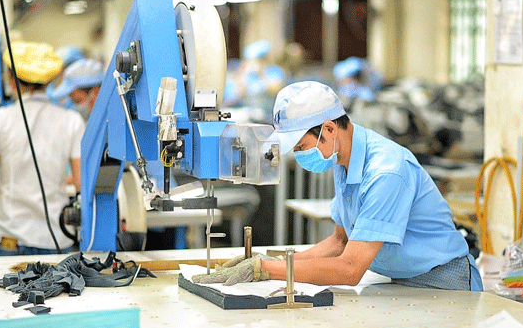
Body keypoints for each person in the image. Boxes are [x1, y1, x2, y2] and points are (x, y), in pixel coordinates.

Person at [194, 81, 483, 291]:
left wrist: (267, 270)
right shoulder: (343, 160)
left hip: (445, 283)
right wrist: (273, 261)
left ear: (329, 129)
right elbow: (339, 242)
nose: (299, 154)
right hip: (402, 281)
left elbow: (350, 269)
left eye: (302, 146)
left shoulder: (386, 171)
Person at [0, 41, 85, 256]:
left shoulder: (0, 120)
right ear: (51, 81)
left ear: (11, 80)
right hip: (56, 238)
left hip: (8, 238)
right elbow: (80, 182)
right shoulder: (72, 121)